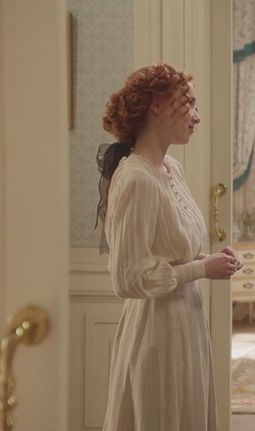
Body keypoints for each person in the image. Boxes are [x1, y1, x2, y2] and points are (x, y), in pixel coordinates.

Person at [98, 63, 240, 431]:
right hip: (155, 330)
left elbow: (171, 252)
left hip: (186, 321)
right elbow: (129, 279)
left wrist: (210, 259)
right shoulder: (136, 179)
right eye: (188, 104)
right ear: (157, 105)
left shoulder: (172, 169)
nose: (197, 116)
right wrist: (201, 269)